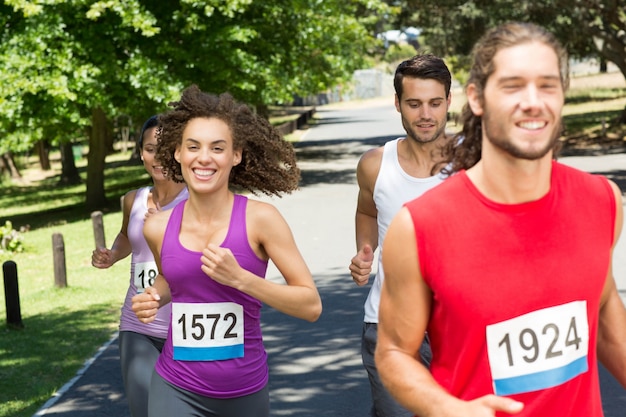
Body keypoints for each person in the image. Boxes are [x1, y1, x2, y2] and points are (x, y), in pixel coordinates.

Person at [375, 21, 626, 416]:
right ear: (476, 98)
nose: (533, 101)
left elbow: (607, 318)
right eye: (512, 86)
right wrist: (448, 409)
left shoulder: (603, 200)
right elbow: (392, 352)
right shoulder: (419, 226)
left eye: (547, 85)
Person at [131, 85, 322, 417]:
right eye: (193, 147)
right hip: (175, 385)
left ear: (236, 155)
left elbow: (310, 305)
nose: (204, 157)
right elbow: (171, 279)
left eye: (217, 148)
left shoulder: (261, 220)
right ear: (177, 153)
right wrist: (155, 296)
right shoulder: (157, 227)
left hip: (244, 391)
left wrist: (242, 280)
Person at [348, 54, 453, 417]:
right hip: (390, 327)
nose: (426, 114)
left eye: (435, 103)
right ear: (398, 104)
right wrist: (366, 250)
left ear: (448, 102)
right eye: (414, 103)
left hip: (459, 327)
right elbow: (367, 210)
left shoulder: (473, 164)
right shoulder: (375, 165)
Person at [91, 115, 189, 417]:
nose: (156, 157)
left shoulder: (198, 200)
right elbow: (127, 236)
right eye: (149, 148)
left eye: (165, 148)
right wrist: (112, 254)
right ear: (140, 153)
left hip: (186, 325)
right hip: (138, 324)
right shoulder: (133, 199)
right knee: (145, 409)